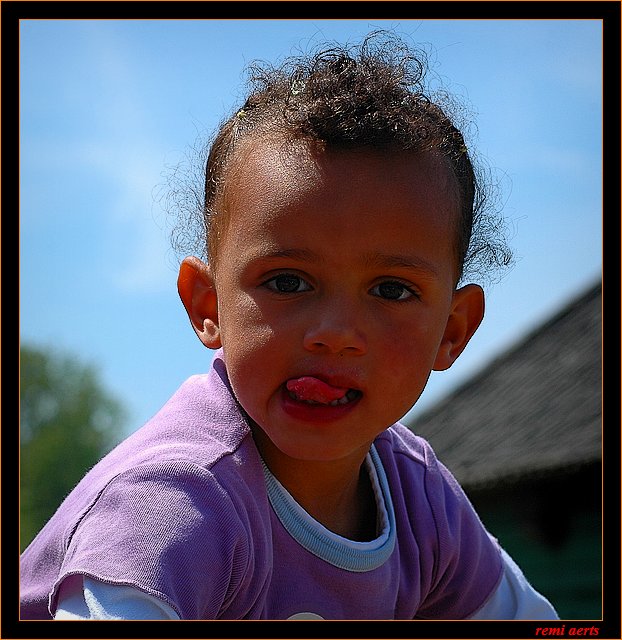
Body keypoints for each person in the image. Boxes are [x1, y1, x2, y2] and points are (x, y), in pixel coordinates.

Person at [20, 32, 558, 621]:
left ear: (452, 331)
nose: (336, 331)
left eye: (391, 290)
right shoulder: (176, 498)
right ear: (208, 305)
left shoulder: (419, 499)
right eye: (287, 282)